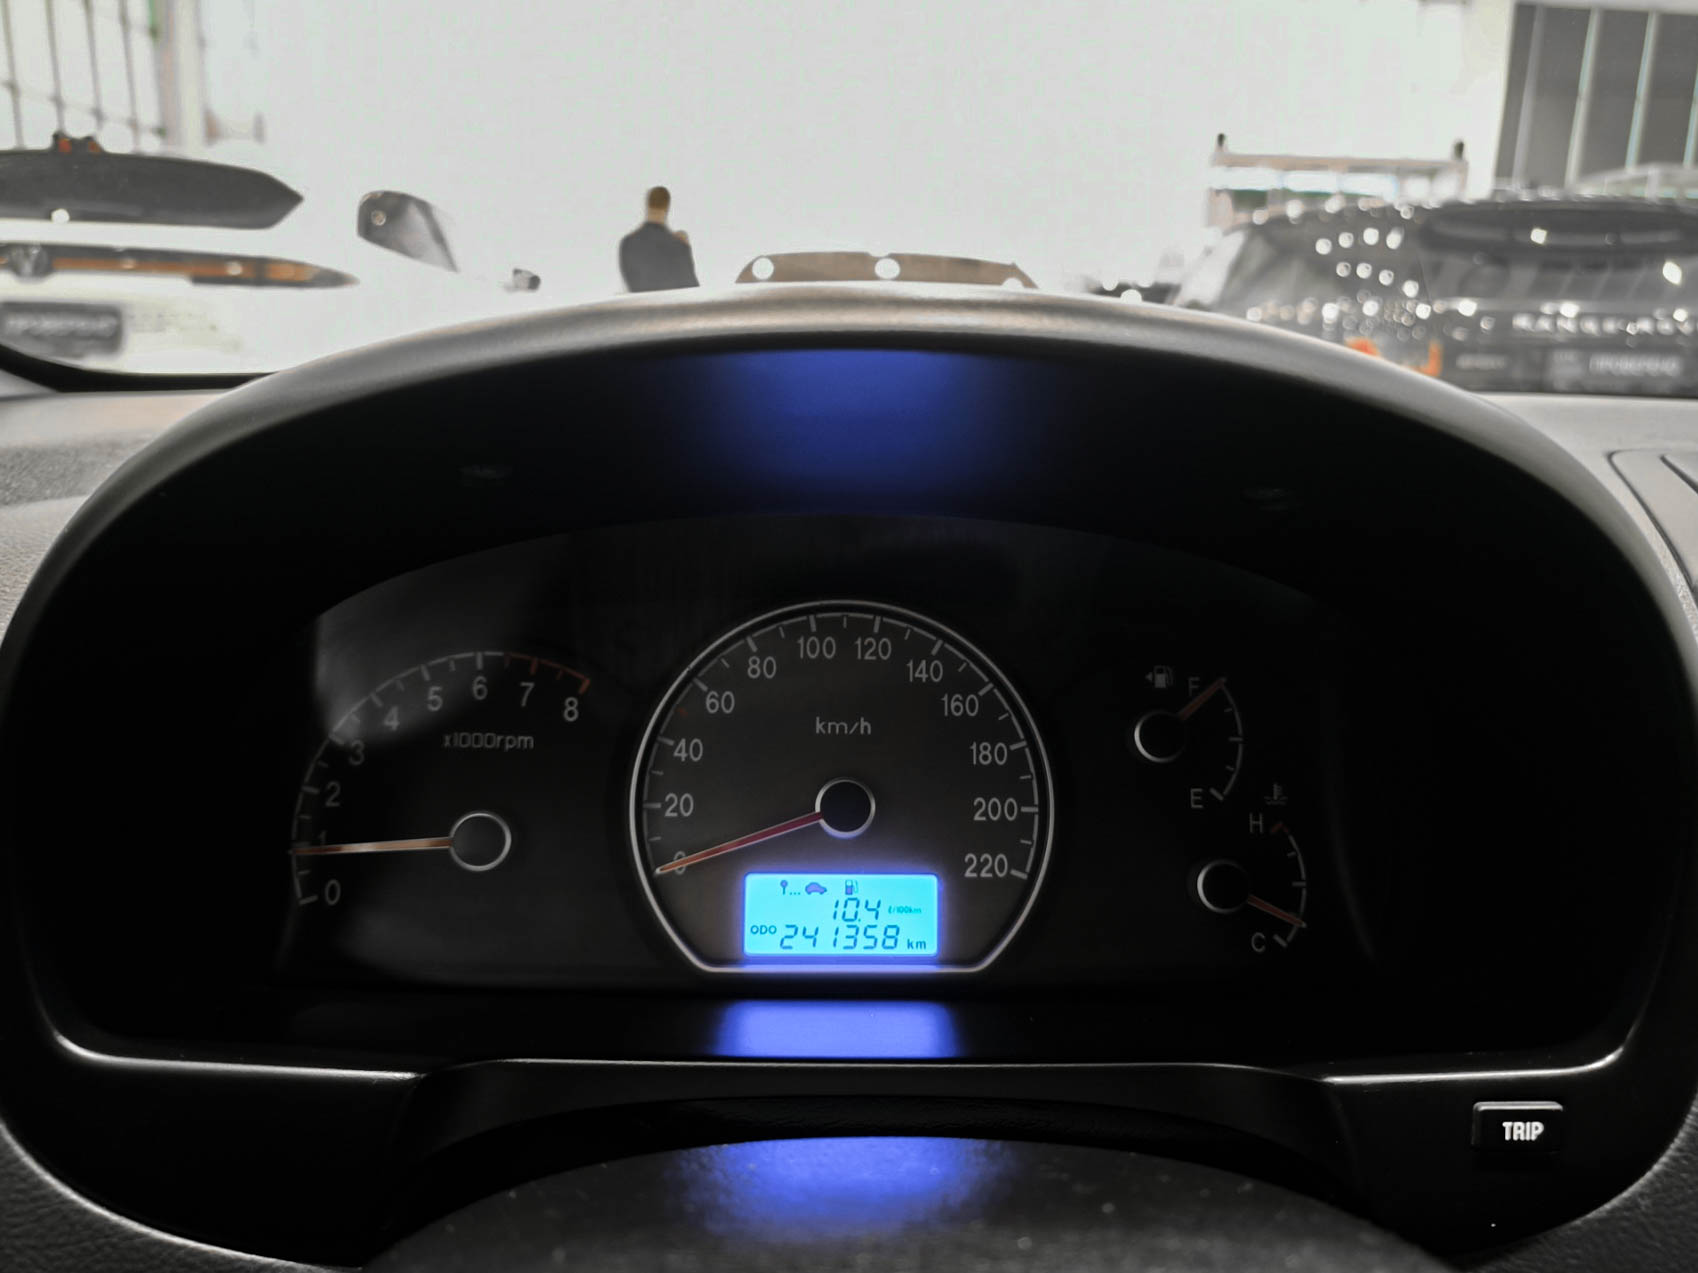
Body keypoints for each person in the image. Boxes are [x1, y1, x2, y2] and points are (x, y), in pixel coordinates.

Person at [618, 186, 699, 292]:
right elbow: (690, 289)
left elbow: (632, 282)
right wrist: (684, 249)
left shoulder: (628, 244)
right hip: (669, 300)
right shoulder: (678, 246)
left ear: (647, 204)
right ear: (667, 206)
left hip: (643, 301)